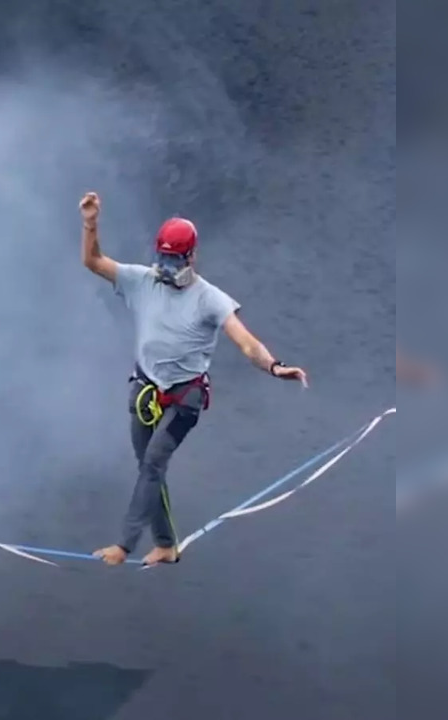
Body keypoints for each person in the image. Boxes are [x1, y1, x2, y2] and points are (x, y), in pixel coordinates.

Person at [78, 192, 309, 566]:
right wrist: (91, 223)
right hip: (145, 389)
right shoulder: (141, 280)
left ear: (192, 256)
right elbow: (92, 261)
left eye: (175, 259)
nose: (167, 267)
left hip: (185, 399)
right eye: (163, 258)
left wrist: (275, 366)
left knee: (154, 462)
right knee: (147, 468)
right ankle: (166, 545)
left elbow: (247, 343)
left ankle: (124, 544)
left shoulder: (211, 299)